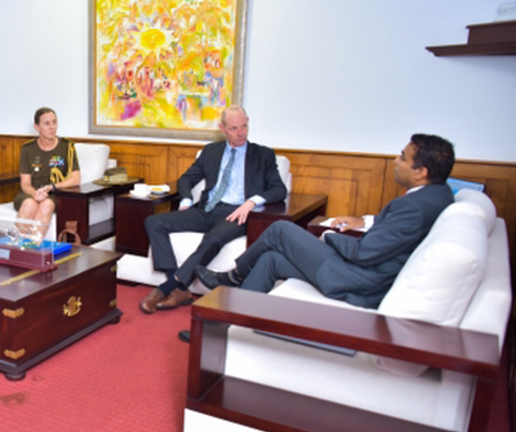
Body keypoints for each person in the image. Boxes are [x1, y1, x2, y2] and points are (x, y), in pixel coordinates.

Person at [195, 133, 456, 307]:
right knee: (270, 259)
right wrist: (362, 220)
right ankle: (227, 323)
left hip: (357, 280)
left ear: (421, 172)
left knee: (280, 230)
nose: (395, 161)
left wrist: (327, 235)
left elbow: (363, 252)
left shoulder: (412, 206)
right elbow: (397, 226)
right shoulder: (438, 194)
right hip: (364, 273)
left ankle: (232, 276)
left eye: (402, 157)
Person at [139, 105, 287, 314]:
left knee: (212, 239)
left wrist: (251, 202)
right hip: (206, 209)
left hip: (236, 213)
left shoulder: (263, 155)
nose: (241, 132)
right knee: (154, 221)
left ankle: (165, 289)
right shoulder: (211, 151)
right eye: (234, 128)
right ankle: (180, 286)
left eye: (244, 126)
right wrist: (186, 201)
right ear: (223, 128)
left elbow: (279, 189)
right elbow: (186, 179)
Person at [13, 107, 81, 231]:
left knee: (46, 204)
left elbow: (76, 179)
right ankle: (18, 247)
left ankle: (34, 246)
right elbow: (25, 183)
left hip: (55, 193)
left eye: (54, 122)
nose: (52, 127)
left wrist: (52, 187)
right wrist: (35, 194)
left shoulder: (67, 146)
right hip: (29, 193)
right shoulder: (28, 149)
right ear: (37, 127)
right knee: (29, 204)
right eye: (47, 123)